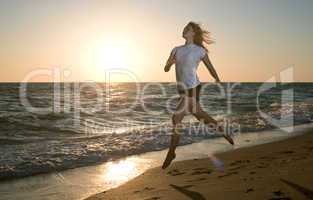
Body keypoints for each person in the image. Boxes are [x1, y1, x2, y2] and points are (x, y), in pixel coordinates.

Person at [162, 21, 234, 169]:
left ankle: (171, 152)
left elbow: (210, 66)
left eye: (187, 29)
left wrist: (217, 79)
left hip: (193, 87)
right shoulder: (176, 49)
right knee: (201, 116)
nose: (184, 30)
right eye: (184, 28)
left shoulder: (199, 51)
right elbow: (166, 69)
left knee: (176, 117)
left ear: (193, 33)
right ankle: (223, 131)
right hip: (182, 89)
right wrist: (169, 63)